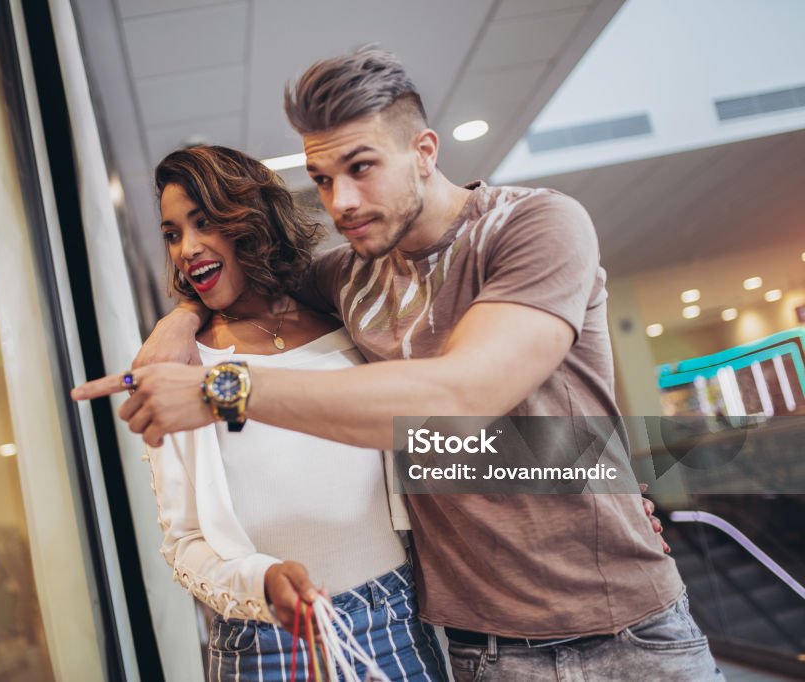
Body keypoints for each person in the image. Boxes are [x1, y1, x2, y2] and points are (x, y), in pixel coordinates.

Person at [74, 47, 720, 680]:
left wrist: (222, 390)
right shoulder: (347, 279)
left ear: (424, 151)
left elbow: (461, 398)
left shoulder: (534, 225)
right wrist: (178, 321)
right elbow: (251, 281)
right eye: (323, 179)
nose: (341, 202)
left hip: (625, 629)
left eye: (361, 167)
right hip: (481, 648)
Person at [140, 145, 446, 681]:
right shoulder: (181, 364)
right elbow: (184, 542)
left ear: (252, 221)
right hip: (265, 650)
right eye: (172, 233)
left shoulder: (351, 326)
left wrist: (606, 483)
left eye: (204, 222)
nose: (187, 249)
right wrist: (262, 582)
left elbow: (446, 431)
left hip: (393, 622)